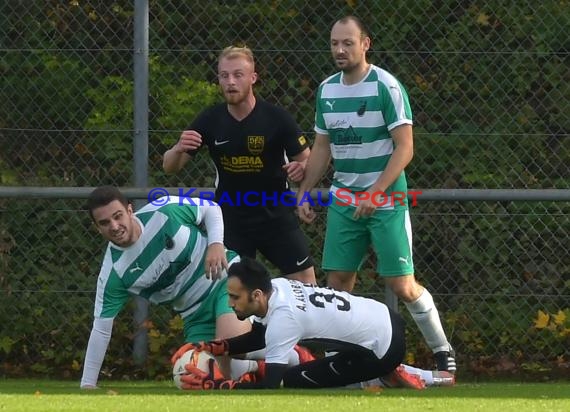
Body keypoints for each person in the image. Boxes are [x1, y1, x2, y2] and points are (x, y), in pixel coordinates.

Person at [295, 16, 456, 373]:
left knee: (402, 284)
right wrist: (304, 193)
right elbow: (322, 147)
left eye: (347, 43)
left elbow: (405, 148)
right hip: (344, 200)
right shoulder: (327, 89)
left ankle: (443, 350)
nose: (339, 49)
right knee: (337, 284)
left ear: (365, 43)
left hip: (387, 201)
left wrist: (376, 192)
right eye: (334, 43)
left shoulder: (387, 86)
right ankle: (341, 362)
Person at [163, 45, 316, 285]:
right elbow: (170, 167)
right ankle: (245, 324)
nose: (230, 82)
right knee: (234, 292)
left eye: (238, 75)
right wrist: (177, 149)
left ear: (253, 78)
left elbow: (308, 159)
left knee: (306, 285)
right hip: (231, 218)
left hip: (275, 215)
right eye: (224, 76)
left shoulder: (277, 118)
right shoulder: (210, 119)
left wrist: (302, 171)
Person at [80, 186, 254, 388]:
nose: (114, 226)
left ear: (129, 210)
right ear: (97, 228)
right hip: (194, 315)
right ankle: (267, 365)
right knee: (192, 375)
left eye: (118, 216)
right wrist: (87, 385)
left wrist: (215, 244)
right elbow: (101, 329)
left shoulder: (164, 210)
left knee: (229, 345)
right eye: (104, 223)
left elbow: (210, 207)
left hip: (227, 283)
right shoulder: (114, 273)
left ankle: (279, 355)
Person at [170, 257, 427, 390]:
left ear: (257, 295)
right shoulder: (278, 287)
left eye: (235, 297)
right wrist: (212, 347)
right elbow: (258, 337)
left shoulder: (284, 318)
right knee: (303, 370)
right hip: (384, 317)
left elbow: (271, 384)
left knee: (292, 380)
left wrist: (222, 386)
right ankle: (385, 372)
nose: (230, 303)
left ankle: (385, 374)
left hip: (383, 348)